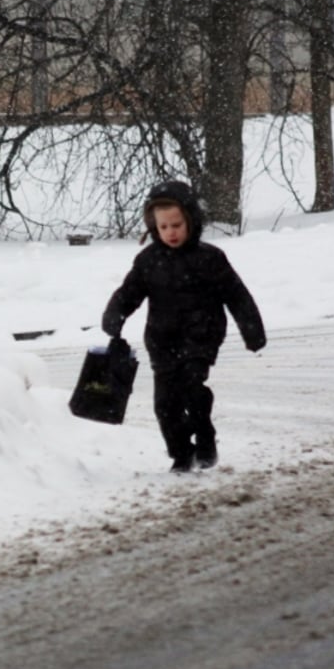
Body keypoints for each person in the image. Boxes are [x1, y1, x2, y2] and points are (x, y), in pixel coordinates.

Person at [101, 180, 266, 473]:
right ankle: (181, 453)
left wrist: (252, 330)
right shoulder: (148, 261)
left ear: (190, 219)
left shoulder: (210, 258)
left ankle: (205, 436)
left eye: (176, 224)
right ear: (154, 227)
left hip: (202, 335)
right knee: (164, 405)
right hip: (162, 340)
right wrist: (115, 315)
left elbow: (236, 295)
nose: (171, 232)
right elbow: (129, 293)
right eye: (163, 227)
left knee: (191, 387)